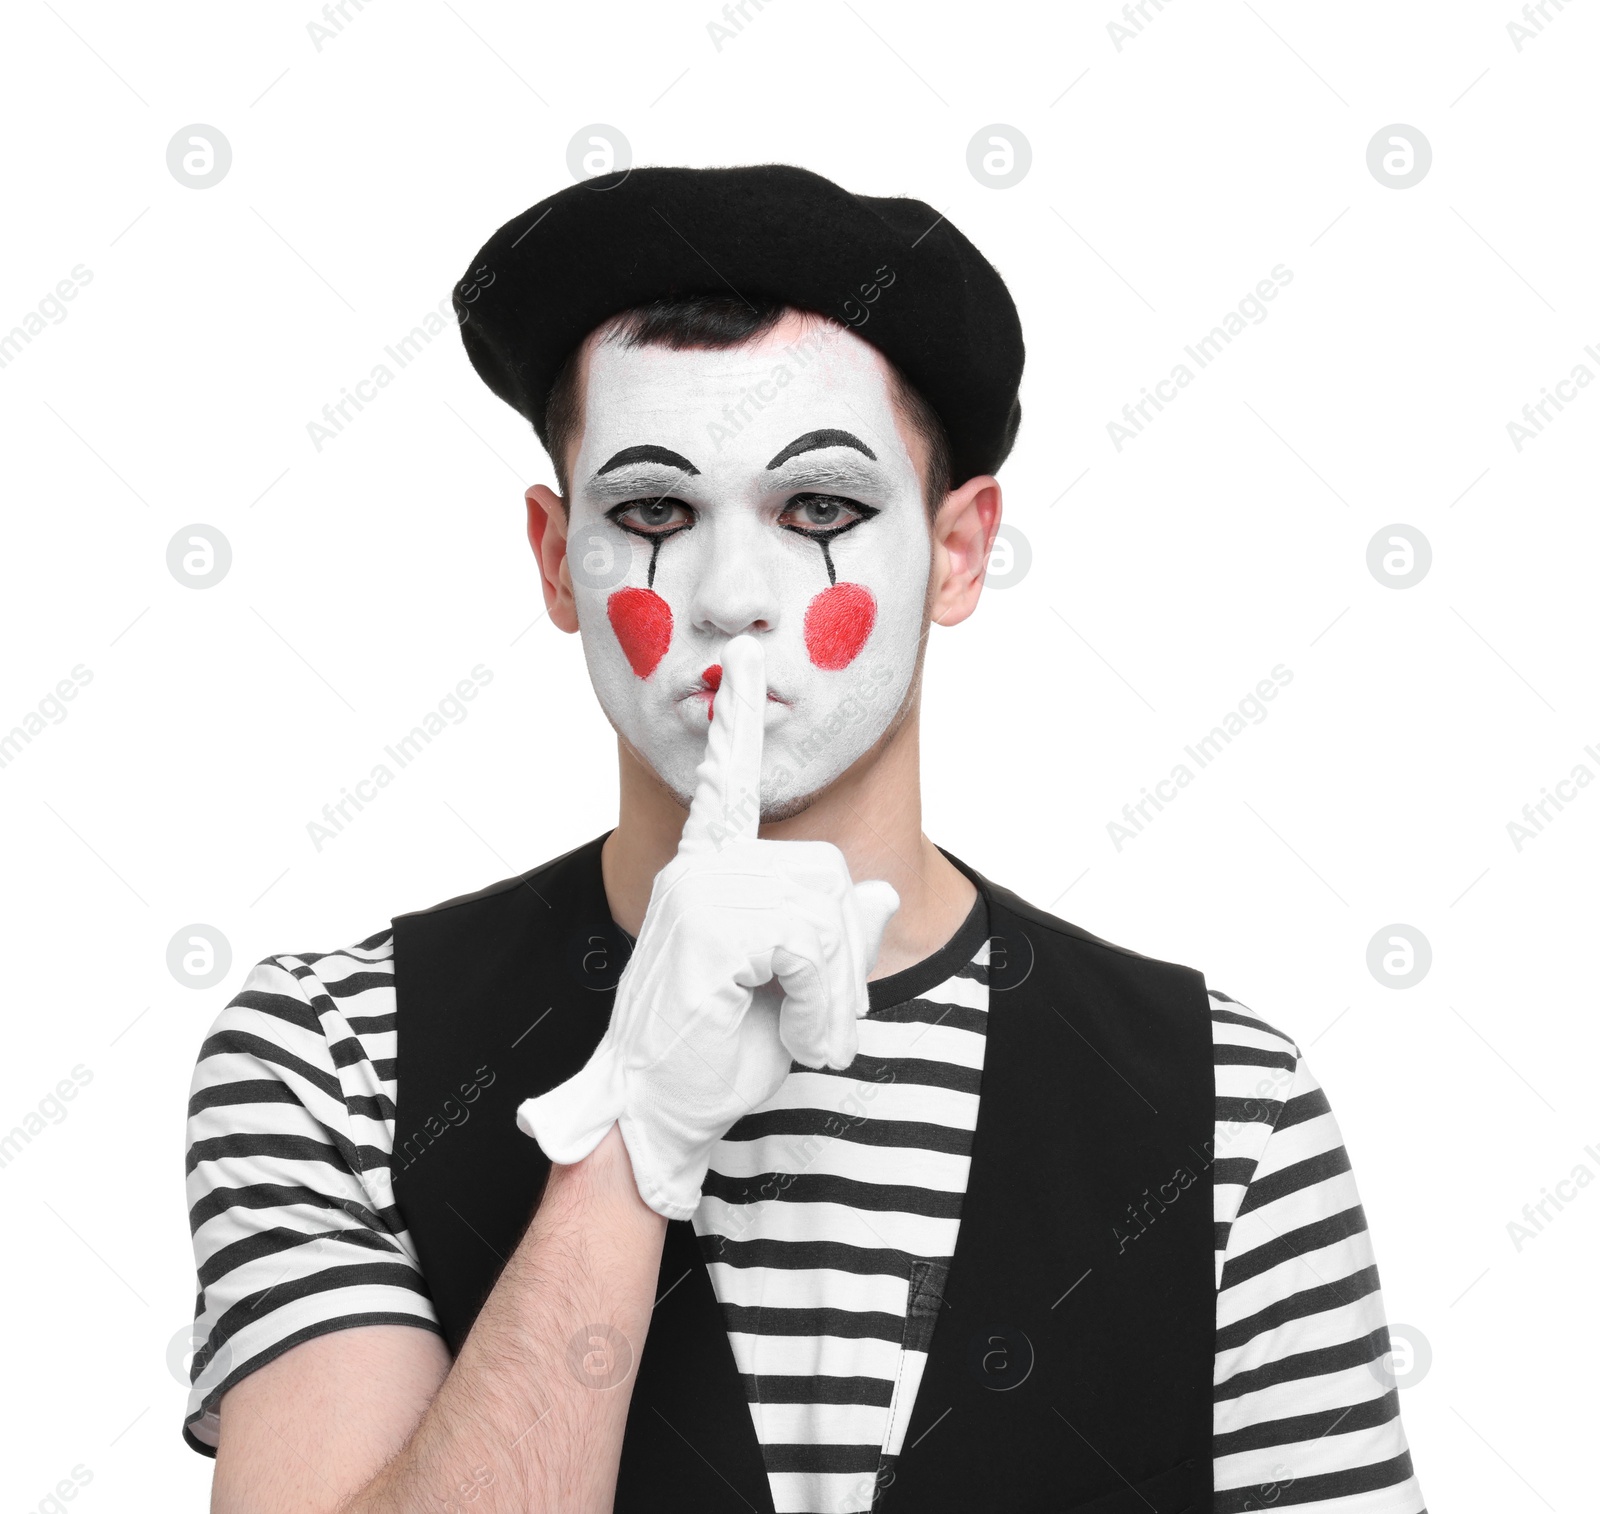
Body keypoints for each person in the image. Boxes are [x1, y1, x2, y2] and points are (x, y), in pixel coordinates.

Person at [182, 165, 1426, 1514]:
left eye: (820, 509)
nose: (730, 599)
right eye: (653, 511)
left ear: (959, 552)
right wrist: (633, 1133)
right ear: (557, 558)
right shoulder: (336, 1054)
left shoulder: (1228, 1108)